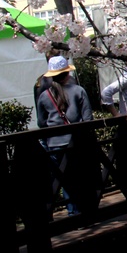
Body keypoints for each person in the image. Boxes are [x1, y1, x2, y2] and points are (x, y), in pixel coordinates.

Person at [36, 56, 93, 216]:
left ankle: (72, 211)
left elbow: (41, 122)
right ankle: (86, 209)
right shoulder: (79, 91)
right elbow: (88, 119)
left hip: (54, 144)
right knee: (80, 176)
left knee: (64, 178)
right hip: (75, 141)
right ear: (67, 73)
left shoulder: (44, 95)